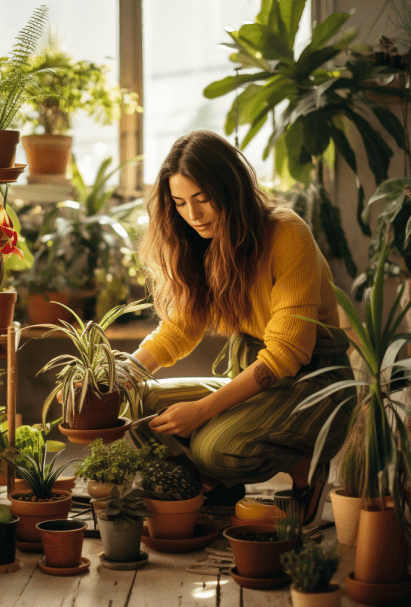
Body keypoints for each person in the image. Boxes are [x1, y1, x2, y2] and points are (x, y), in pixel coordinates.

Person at [126, 129, 355, 523]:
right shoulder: (199, 239)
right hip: (256, 377)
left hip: (314, 383)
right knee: (138, 403)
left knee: (214, 448)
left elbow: (287, 354)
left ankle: (304, 467)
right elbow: (180, 329)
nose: (193, 215)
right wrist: (118, 375)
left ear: (231, 188)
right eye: (180, 203)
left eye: (203, 198)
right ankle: (216, 490)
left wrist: (202, 412)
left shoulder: (286, 232)